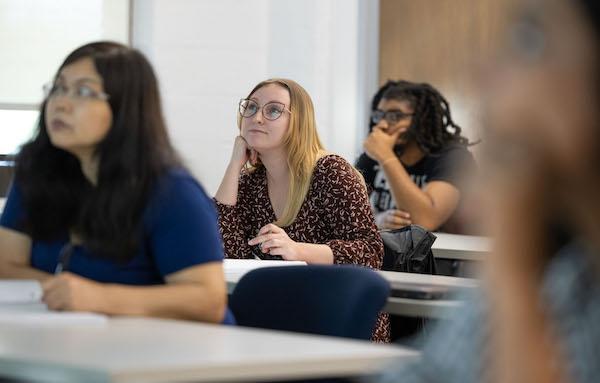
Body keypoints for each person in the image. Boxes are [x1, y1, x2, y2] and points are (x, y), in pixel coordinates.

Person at [371, 0, 600, 382]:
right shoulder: (562, 277)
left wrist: (512, 259)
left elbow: (426, 217)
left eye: (529, 41)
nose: (480, 74)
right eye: (380, 115)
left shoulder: (447, 158)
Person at [0, 42, 230, 324]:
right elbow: (6, 265)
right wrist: (62, 292)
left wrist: (98, 298)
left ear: (125, 108)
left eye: (84, 91)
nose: (60, 103)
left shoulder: (171, 191)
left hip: (169, 353)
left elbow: (208, 300)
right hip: (67, 338)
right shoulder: (37, 172)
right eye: (58, 88)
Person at [215, 78, 388, 341]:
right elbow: (230, 254)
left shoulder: (331, 172)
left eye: (273, 110)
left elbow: (370, 253)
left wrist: (297, 250)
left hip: (338, 314)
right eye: (250, 107)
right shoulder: (250, 182)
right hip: (284, 312)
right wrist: (234, 165)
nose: (256, 118)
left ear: (298, 122)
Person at [355, 80, 476, 233]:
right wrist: (378, 220)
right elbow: (344, 214)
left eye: (395, 116)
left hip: (443, 254)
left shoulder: (453, 157)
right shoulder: (373, 156)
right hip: (392, 253)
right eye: (379, 115)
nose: (383, 124)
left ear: (421, 119)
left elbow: (424, 222)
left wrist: (386, 156)